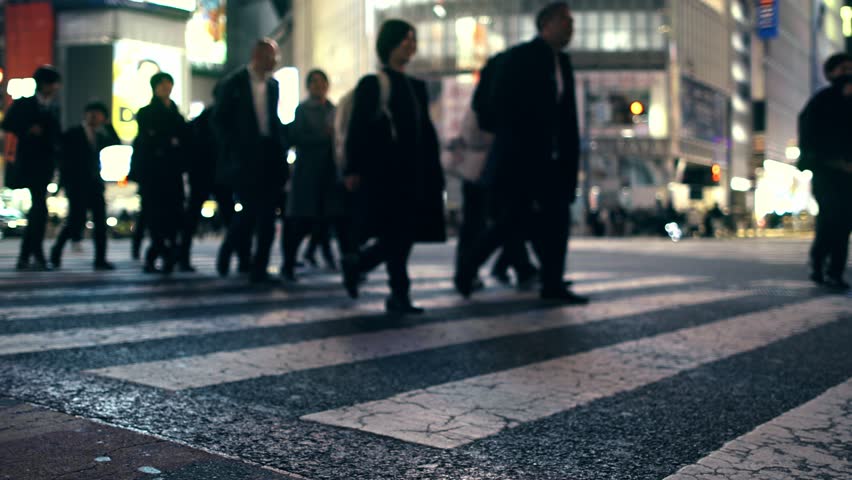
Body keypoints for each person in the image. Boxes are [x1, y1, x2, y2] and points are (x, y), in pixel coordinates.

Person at [455, 2, 588, 304]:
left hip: (553, 160)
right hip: (521, 159)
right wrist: (517, 133)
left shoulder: (562, 63)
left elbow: (567, 117)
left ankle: (552, 283)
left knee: (557, 220)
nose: (571, 28)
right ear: (547, 24)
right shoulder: (519, 58)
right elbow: (495, 104)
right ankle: (469, 263)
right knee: (512, 222)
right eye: (566, 21)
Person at [341, 19, 446, 314]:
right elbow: (357, 129)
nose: (411, 44)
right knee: (397, 234)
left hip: (414, 174)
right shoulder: (374, 83)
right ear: (390, 43)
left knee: (403, 234)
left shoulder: (416, 86)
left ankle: (360, 263)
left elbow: (424, 133)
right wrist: (352, 168)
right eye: (405, 39)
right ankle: (399, 294)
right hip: (385, 175)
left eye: (413, 39)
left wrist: (433, 173)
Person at [213, 39, 289, 284]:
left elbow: (273, 121)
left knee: (267, 215)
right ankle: (230, 248)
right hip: (244, 157)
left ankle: (259, 267)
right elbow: (219, 120)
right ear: (257, 55)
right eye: (271, 57)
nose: (275, 62)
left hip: (269, 155)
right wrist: (233, 148)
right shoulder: (233, 84)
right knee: (249, 210)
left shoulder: (274, 86)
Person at [282, 69, 347, 280]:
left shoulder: (334, 109)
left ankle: (343, 263)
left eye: (322, 82)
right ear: (308, 87)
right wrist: (323, 136)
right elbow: (296, 137)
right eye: (314, 83)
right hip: (308, 173)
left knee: (330, 219)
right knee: (301, 221)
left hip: (330, 173)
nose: (319, 87)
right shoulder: (302, 110)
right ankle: (289, 264)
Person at [798, 52, 852, 290]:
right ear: (831, 73)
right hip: (827, 172)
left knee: (844, 222)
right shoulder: (821, 101)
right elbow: (808, 133)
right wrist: (817, 160)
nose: (847, 72)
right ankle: (819, 262)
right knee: (831, 218)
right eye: (842, 68)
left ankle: (835, 271)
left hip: (849, 174)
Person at [2, 65, 63, 271]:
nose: (56, 87)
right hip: (28, 163)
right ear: (44, 84)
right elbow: (8, 123)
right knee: (39, 209)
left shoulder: (54, 106)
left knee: (38, 211)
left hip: (45, 164)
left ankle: (28, 256)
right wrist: (28, 128)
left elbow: (56, 134)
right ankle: (34, 255)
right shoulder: (25, 103)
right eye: (53, 83)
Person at [50, 101, 121, 270]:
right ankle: (56, 253)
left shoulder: (101, 135)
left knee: (100, 223)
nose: (93, 116)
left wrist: (109, 125)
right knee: (75, 221)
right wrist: (64, 183)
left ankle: (100, 259)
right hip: (76, 184)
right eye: (91, 113)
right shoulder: (73, 133)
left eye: (98, 114)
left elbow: (116, 141)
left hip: (95, 184)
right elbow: (63, 158)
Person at [133, 72, 188, 274]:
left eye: (169, 85)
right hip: (153, 174)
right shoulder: (146, 112)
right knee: (155, 217)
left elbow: (183, 139)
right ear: (154, 88)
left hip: (172, 173)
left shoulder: (176, 112)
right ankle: (159, 254)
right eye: (162, 85)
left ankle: (164, 255)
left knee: (173, 216)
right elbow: (151, 140)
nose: (166, 88)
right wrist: (170, 142)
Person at [177, 107, 239, 272]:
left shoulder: (203, 120)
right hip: (211, 174)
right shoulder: (220, 119)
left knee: (194, 217)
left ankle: (182, 257)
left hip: (206, 174)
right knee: (229, 216)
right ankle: (243, 256)